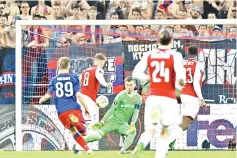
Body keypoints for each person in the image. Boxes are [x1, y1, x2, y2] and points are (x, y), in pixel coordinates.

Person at [132, 30, 185, 158]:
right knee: (165, 132)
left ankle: (140, 145)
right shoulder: (175, 55)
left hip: (153, 98)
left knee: (150, 130)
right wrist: (179, 86)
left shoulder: (149, 54)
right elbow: (181, 79)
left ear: (157, 40)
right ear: (172, 41)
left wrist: (148, 78)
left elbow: (135, 74)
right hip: (168, 99)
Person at [39, 57, 93, 154]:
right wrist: (86, 108)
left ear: (59, 66)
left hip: (61, 111)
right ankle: (77, 123)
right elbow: (79, 95)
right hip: (74, 108)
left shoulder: (54, 80)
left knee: (73, 131)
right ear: (68, 65)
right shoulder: (74, 78)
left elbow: (48, 95)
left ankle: (88, 149)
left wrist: (42, 99)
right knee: (84, 132)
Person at [75, 76, 142, 154]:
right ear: (125, 85)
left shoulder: (138, 98)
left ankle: (123, 150)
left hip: (123, 124)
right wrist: (102, 122)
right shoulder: (120, 96)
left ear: (134, 85)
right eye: (127, 85)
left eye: (131, 85)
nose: (129, 87)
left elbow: (136, 112)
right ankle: (77, 143)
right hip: (112, 121)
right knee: (97, 136)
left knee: (132, 132)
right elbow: (111, 110)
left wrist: (133, 124)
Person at [168, 45, 206, 150]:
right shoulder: (198, 65)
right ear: (197, 53)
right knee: (185, 123)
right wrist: (201, 99)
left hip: (183, 94)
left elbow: (176, 79)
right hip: (192, 96)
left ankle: (169, 141)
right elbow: (196, 84)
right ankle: (165, 142)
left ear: (187, 53)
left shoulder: (182, 64)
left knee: (188, 121)